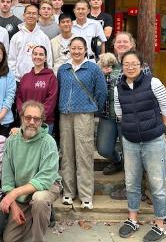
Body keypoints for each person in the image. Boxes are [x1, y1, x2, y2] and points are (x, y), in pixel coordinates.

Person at [114, 51, 166, 242]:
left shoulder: (153, 83)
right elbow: (119, 113)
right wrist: (132, 130)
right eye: (126, 64)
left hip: (153, 142)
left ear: (141, 65)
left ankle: (160, 224)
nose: (130, 67)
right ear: (122, 66)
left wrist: (156, 129)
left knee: (157, 184)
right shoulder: (118, 87)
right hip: (130, 141)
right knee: (131, 182)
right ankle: (132, 219)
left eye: (134, 64)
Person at [98, 32, 152, 203]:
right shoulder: (108, 63)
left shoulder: (140, 65)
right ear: (114, 45)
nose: (121, 44)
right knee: (103, 149)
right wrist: (100, 73)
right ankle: (116, 159)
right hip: (108, 114)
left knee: (132, 154)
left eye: (125, 41)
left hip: (130, 116)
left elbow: (146, 88)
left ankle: (133, 189)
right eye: (118, 42)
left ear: (132, 44)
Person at [0, 100, 61, 242]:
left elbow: (45, 179)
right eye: (28, 118)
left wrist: (14, 193)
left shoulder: (48, 142)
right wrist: (14, 205)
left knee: (39, 200)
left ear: (41, 121)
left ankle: (39, 237)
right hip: (23, 195)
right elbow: (7, 179)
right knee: (10, 239)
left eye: (37, 119)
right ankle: (36, 218)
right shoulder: (11, 141)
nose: (32, 122)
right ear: (21, 117)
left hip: (46, 188)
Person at [57, 36, 107, 210]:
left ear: (85, 50)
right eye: (73, 48)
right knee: (67, 154)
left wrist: (91, 108)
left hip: (84, 115)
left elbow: (101, 92)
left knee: (84, 154)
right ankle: (69, 192)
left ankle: (86, 195)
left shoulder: (92, 68)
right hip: (65, 114)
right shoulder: (63, 69)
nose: (76, 51)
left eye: (80, 48)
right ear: (69, 49)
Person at [16, 46, 58, 135]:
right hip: (26, 121)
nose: (37, 57)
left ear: (45, 58)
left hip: (44, 122)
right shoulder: (25, 77)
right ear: (31, 56)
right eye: (35, 54)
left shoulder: (51, 77)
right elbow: (19, 98)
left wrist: (37, 117)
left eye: (41, 54)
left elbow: (51, 100)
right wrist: (25, 115)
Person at [8, 4, 52, 82]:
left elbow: (48, 60)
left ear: (38, 16)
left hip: (40, 80)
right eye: (28, 13)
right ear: (24, 15)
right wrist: (13, 78)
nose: (31, 16)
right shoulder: (16, 37)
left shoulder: (44, 37)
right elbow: (11, 60)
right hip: (19, 80)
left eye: (34, 13)